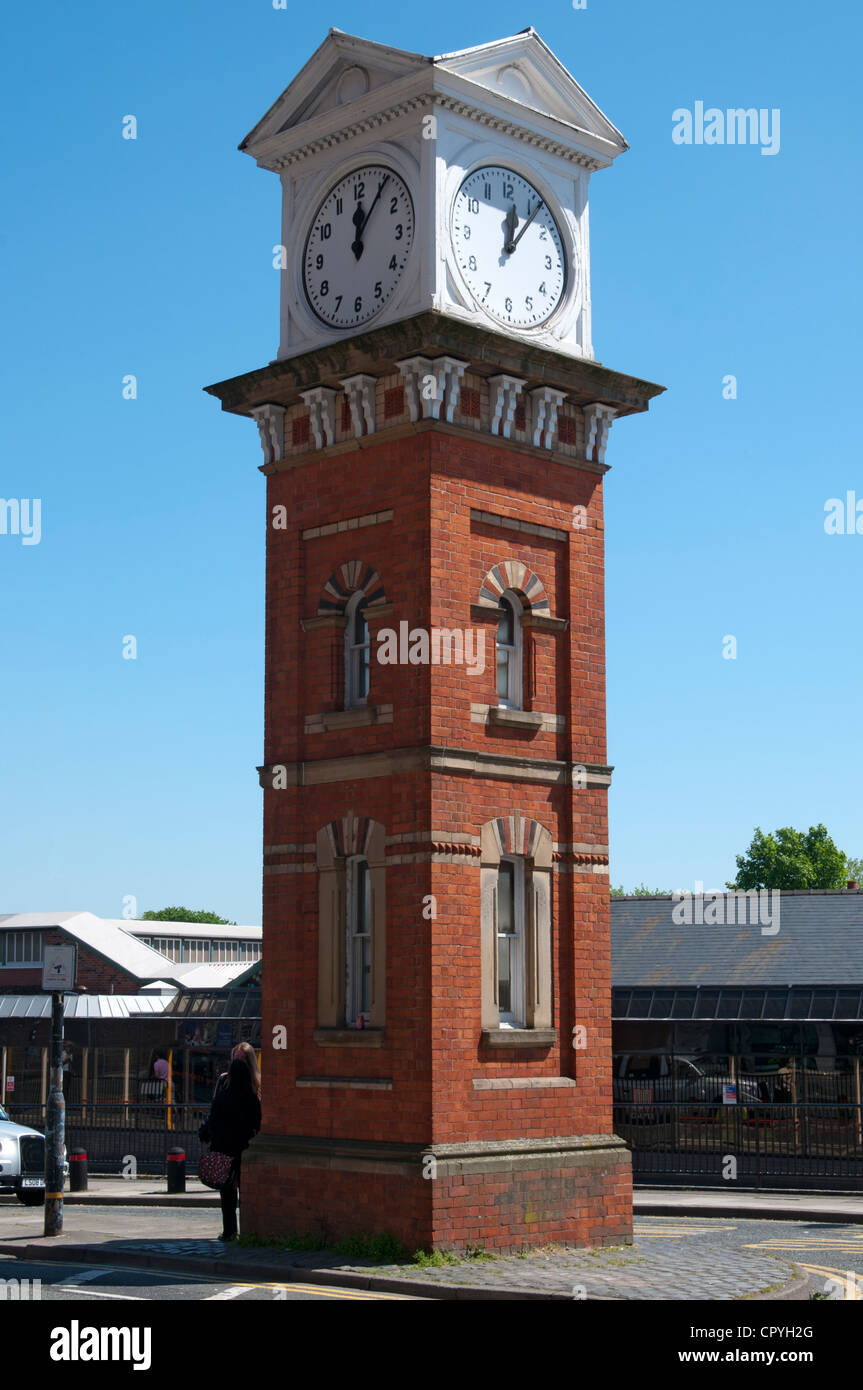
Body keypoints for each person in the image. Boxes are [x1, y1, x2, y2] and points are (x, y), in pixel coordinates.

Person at [205, 1058, 261, 1242]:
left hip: (224, 1149)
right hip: (244, 1149)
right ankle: (249, 1229)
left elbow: (212, 1122)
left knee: (227, 1193)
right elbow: (257, 1123)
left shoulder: (221, 1097)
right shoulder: (251, 1098)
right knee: (246, 1191)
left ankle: (229, 1231)